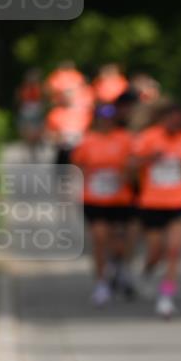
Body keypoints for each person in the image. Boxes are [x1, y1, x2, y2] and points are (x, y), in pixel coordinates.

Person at [71, 104, 135, 305]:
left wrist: (126, 175)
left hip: (120, 199)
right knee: (99, 238)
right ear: (96, 119)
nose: (105, 122)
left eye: (109, 118)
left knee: (118, 243)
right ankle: (101, 283)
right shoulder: (87, 141)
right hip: (94, 198)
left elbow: (133, 166)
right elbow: (77, 167)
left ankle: (119, 268)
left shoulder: (125, 139)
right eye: (102, 118)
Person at [131, 102, 181, 316]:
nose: (175, 122)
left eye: (179, 118)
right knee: (156, 251)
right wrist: (149, 159)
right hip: (153, 203)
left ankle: (166, 295)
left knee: (174, 250)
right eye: (171, 118)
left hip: (179, 204)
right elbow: (130, 164)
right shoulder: (149, 137)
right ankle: (147, 272)